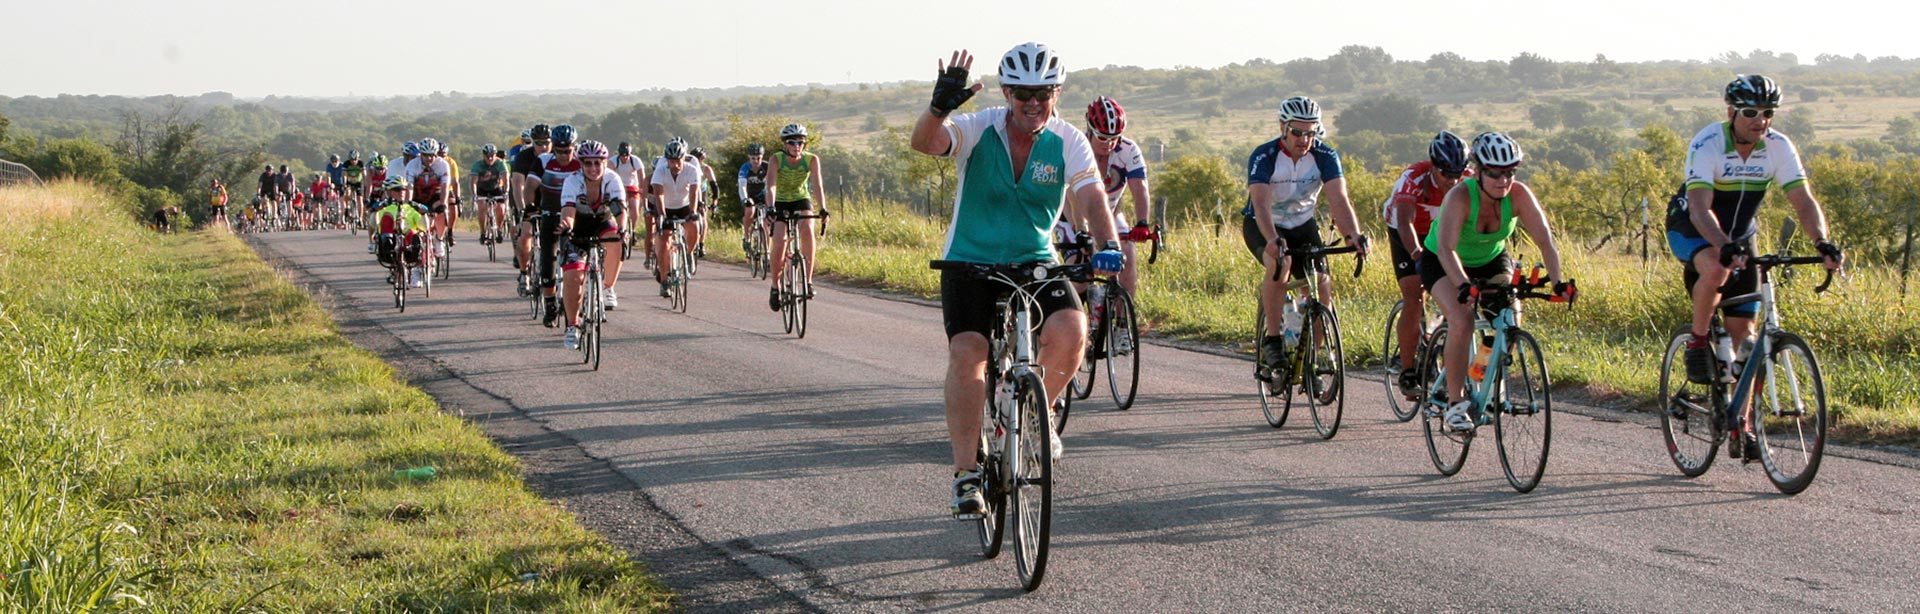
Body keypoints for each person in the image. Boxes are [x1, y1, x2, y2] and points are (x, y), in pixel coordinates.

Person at [908, 44, 1124, 517]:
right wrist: (938, 108)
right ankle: (967, 473)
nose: (1032, 102)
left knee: (1073, 330)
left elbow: (1090, 195)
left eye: (1042, 93)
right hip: (971, 260)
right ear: (1007, 92)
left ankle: (1031, 413)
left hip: (1034, 259)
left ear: (1056, 93)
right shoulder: (979, 127)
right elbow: (925, 143)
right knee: (970, 353)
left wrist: (1108, 244)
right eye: (1023, 93)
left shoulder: (1067, 139)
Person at [1665, 74, 1843, 453]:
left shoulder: (1778, 147)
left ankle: (1738, 425)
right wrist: (1723, 245)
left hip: (1741, 235)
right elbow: (1699, 208)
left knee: (1746, 337)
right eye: (1750, 112)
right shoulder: (1708, 142)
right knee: (1716, 266)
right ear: (1731, 112)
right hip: (1694, 226)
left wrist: (1822, 241)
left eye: (1767, 113)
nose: (1759, 120)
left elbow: (1804, 201)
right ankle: (1697, 342)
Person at [1422, 132, 1576, 432]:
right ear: (1477, 172)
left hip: (1491, 258)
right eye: (1494, 173)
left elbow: (1546, 240)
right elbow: (1445, 249)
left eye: (1509, 173)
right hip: (1442, 260)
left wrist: (1558, 283)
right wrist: (1464, 286)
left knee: (1509, 319)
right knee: (1462, 319)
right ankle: (1455, 403)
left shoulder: (1519, 195)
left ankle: (1483, 374)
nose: (1503, 181)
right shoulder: (1460, 196)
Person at [1241, 96, 1369, 368]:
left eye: (1310, 133)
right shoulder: (1265, 156)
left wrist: (1353, 237)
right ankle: (1273, 341)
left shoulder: (1325, 156)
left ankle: (1315, 358)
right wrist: (1273, 239)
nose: (1303, 139)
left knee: (1322, 283)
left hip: (1302, 223)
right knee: (1280, 263)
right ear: (1283, 128)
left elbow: (1339, 200)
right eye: (1297, 132)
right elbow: (1261, 204)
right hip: (1264, 223)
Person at [1384, 131, 1472, 396]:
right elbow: (1404, 222)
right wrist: (1417, 256)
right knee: (1414, 296)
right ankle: (1408, 371)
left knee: (1460, 293)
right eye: (1446, 173)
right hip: (1408, 233)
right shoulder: (1414, 178)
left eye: (1458, 172)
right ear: (1433, 165)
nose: (1453, 180)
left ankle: (1440, 337)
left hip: (1443, 235)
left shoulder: (1467, 181)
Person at [1079, 96, 1155, 297]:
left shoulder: (1128, 149)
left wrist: (1141, 223)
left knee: (1127, 256)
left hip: (1110, 213)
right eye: (1103, 138)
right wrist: (1079, 229)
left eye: (1115, 137)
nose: (1110, 144)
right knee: (1079, 270)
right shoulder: (1077, 147)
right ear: (1090, 130)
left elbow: (1140, 189)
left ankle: (1123, 324)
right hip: (1075, 214)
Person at [557, 140, 628, 349]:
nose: (594, 168)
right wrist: (567, 226)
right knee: (573, 277)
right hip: (578, 226)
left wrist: (623, 228)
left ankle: (607, 288)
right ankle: (572, 325)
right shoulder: (572, 181)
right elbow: (568, 212)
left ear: (605, 163)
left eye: (598, 163)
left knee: (616, 238)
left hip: (601, 222)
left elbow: (620, 209)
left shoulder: (612, 179)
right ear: (581, 165)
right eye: (588, 163)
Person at [765, 124, 827, 311]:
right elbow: (771, 186)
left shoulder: (811, 160)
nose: (796, 145)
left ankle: (807, 281)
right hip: (780, 201)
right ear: (785, 144)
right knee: (780, 241)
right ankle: (775, 287)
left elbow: (817, 186)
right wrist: (770, 208)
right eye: (792, 142)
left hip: (801, 199)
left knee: (808, 229)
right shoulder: (776, 159)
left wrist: (823, 208)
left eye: (800, 142)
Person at [532, 125, 584, 325]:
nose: (563, 155)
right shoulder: (544, 161)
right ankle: (550, 301)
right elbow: (529, 186)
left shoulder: (582, 163)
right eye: (559, 151)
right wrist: (529, 206)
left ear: (574, 148)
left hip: (576, 216)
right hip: (551, 214)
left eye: (567, 151)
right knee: (548, 257)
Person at [649, 137, 703, 298]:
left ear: (684, 157)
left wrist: (693, 211)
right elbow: (658, 194)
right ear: (667, 160)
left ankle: (689, 253)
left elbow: (694, 192)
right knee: (664, 243)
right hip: (666, 206)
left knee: (694, 226)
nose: (675, 165)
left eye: (678, 161)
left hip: (684, 205)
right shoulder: (660, 170)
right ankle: (665, 281)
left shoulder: (691, 169)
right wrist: (662, 216)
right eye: (672, 161)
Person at [513, 124, 554, 297]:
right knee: (525, 235)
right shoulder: (523, 157)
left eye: (546, 143)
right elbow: (518, 184)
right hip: (530, 200)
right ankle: (524, 274)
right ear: (532, 143)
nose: (543, 147)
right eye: (538, 143)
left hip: (551, 200)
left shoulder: (557, 156)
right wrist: (524, 209)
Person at [372, 176, 431, 287]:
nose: (401, 192)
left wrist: (423, 214)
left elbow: (424, 227)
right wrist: (375, 212)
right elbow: (373, 224)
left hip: (409, 243)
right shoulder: (385, 208)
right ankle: (394, 269)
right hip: (389, 242)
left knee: (414, 236)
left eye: (404, 189)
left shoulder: (412, 208)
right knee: (387, 219)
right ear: (390, 192)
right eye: (397, 190)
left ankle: (414, 272)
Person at [403, 138, 454, 258]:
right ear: (421, 154)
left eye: (432, 155)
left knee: (442, 212)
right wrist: (407, 203)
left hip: (435, 195)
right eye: (426, 155)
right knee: (415, 222)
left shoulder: (443, 165)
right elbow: (409, 187)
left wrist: (443, 203)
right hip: (418, 196)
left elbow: (445, 186)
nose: (429, 158)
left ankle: (439, 240)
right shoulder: (412, 165)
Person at [471, 144, 511, 245]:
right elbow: (473, 182)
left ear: (495, 155)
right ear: (483, 155)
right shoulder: (477, 165)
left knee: (501, 209)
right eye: (487, 156)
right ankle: (483, 232)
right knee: (481, 207)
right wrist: (475, 194)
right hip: (482, 189)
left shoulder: (500, 163)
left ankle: (499, 230)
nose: (490, 158)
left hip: (496, 188)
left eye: (492, 155)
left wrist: (506, 191)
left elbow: (505, 179)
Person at [611, 141, 649, 247]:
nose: (624, 158)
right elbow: (608, 174)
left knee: (634, 207)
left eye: (626, 155)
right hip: (619, 187)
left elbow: (642, 176)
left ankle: (633, 230)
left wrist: (642, 189)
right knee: (619, 208)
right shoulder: (613, 161)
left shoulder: (635, 161)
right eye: (622, 155)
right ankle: (620, 228)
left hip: (633, 187)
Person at [737, 142, 770, 251]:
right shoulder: (745, 168)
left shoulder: (767, 167)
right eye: (753, 158)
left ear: (762, 157)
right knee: (749, 212)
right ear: (749, 158)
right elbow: (742, 185)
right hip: (750, 195)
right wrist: (745, 199)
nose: (756, 161)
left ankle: (767, 252)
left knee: (766, 224)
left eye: (758, 158)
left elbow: (773, 184)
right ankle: (747, 238)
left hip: (764, 195)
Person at [690, 147, 720, 258]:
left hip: (702, 193)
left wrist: (714, 203)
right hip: (690, 192)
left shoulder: (706, 169)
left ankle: (701, 243)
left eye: (700, 159)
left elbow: (715, 187)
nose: (698, 161)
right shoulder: (688, 167)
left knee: (703, 217)